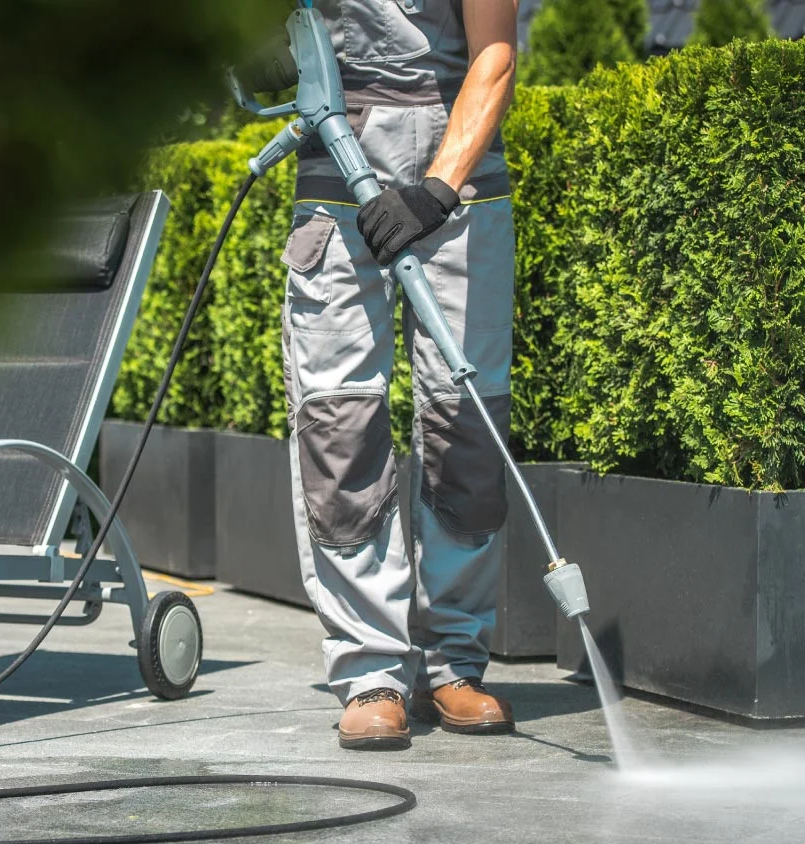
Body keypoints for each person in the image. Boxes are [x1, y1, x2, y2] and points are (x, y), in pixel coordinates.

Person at [280, 0, 519, 750]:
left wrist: (437, 189)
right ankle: (370, 671)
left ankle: (454, 661)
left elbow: (494, 55)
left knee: (466, 421)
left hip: (459, 167)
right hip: (337, 155)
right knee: (339, 421)